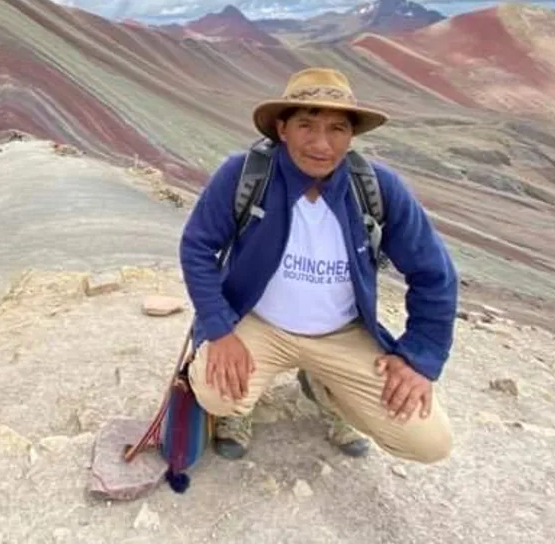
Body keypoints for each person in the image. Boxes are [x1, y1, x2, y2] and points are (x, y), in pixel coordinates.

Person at [178, 67, 457, 463]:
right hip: (260, 323)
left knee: (429, 442)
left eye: (337, 128)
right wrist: (220, 330)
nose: (321, 144)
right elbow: (197, 248)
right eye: (306, 125)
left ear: (352, 135)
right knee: (215, 392)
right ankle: (243, 405)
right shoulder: (244, 176)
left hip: (341, 333)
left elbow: (434, 274)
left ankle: (325, 388)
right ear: (282, 128)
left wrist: (419, 358)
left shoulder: (377, 188)